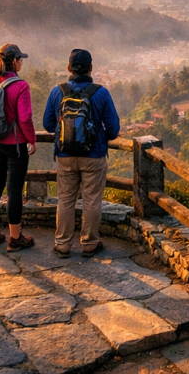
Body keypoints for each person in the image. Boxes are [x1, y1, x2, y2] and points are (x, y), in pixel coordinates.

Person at [43, 48, 121, 258]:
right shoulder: (101, 93)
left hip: (64, 156)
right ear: (91, 68)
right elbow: (113, 130)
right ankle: (89, 244)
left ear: (69, 68)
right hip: (94, 156)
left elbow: (48, 124)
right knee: (92, 200)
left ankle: (62, 245)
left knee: (65, 199)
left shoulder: (57, 91)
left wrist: (66, 129)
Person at [0, 43, 37, 251]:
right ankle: (15, 238)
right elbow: (25, 119)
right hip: (15, 145)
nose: (21, 63)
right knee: (14, 190)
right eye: (20, 59)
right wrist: (32, 139)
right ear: (14, 62)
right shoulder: (20, 86)